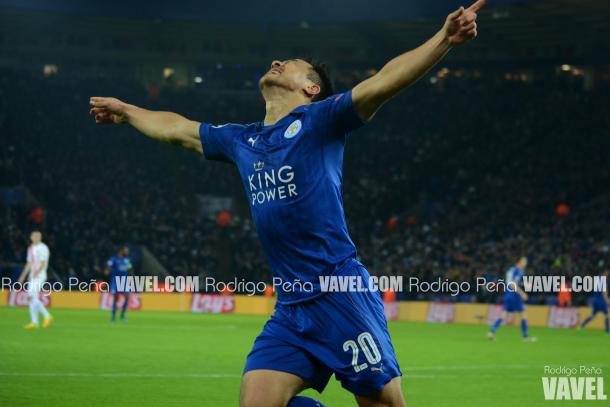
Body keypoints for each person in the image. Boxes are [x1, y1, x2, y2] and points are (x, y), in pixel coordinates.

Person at [89, 2, 485, 405]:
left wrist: (444, 40)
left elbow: (385, 81)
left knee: (384, 403)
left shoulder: (322, 120)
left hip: (338, 291)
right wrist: (127, 110)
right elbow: (177, 129)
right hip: (291, 306)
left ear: (311, 89)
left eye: (291, 63)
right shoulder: (242, 140)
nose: (276, 61)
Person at [488, 257, 536, 342]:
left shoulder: (511, 270)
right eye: (524, 261)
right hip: (514, 295)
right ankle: (525, 337)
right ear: (519, 262)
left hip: (508, 294)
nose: (525, 263)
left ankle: (492, 331)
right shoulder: (517, 271)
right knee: (523, 315)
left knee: (504, 315)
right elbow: (513, 284)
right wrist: (522, 293)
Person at [18, 230, 53, 329]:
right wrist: (23, 276)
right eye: (35, 236)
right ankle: (34, 323)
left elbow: (43, 262)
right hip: (32, 276)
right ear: (31, 237)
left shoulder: (43, 248)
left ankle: (47, 316)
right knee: (32, 298)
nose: (36, 237)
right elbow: (29, 263)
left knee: (32, 297)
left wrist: (36, 272)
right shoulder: (30, 248)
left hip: (40, 275)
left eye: (38, 236)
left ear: (40, 237)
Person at [105, 246, 133, 323]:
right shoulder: (114, 259)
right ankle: (113, 317)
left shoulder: (127, 260)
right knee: (115, 299)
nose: (127, 252)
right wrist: (108, 270)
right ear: (121, 251)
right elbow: (108, 266)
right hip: (115, 281)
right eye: (126, 251)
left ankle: (122, 316)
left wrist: (131, 276)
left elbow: (130, 269)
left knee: (127, 297)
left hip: (124, 281)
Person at [579, 270, 609, 335]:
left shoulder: (597, 280)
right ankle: (607, 331)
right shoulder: (604, 281)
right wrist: (607, 300)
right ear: (604, 273)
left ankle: (582, 326)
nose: (607, 275)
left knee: (592, 315)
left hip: (595, 300)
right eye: (607, 273)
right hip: (601, 301)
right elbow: (604, 292)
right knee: (606, 315)